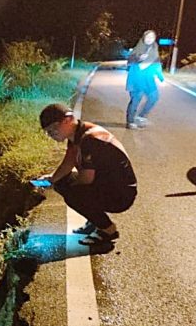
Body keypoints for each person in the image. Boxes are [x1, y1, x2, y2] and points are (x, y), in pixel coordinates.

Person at [37, 103, 137, 245]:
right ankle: (95, 221)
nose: (52, 135)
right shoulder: (78, 133)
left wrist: (70, 192)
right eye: (48, 132)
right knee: (62, 183)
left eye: (53, 129)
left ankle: (107, 230)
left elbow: (86, 179)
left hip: (121, 195)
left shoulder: (91, 140)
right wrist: (52, 179)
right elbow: (69, 162)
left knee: (73, 194)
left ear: (68, 119)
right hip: (109, 184)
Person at [125, 29, 164, 129]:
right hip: (136, 78)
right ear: (144, 38)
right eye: (148, 37)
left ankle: (141, 116)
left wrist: (161, 77)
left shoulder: (154, 49)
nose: (149, 39)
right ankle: (130, 121)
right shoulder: (138, 48)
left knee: (154, 97)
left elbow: (157, 64)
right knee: (135, 99)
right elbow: (129, 61)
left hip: (148, 79)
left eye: (152, 37)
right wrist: (139, 58)